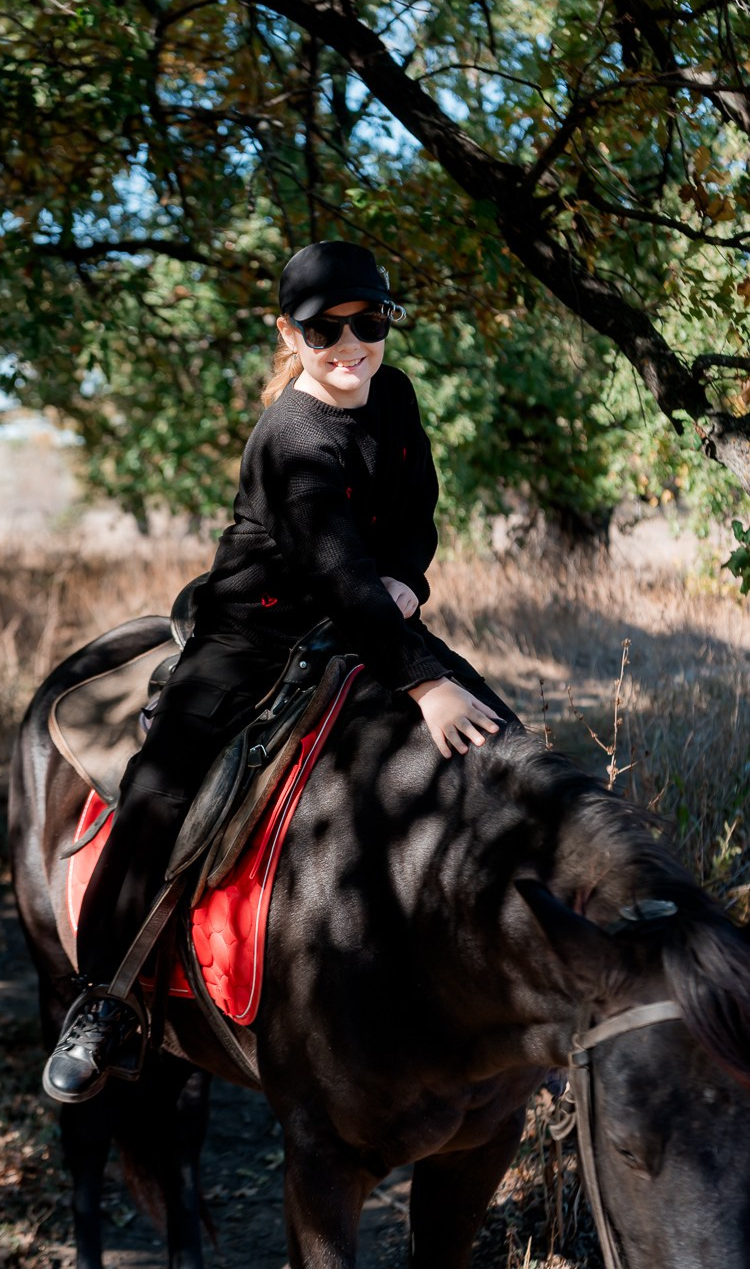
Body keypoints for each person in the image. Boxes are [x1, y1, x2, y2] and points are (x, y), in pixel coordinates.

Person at [43, 239, 518, 1104]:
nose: (349, 346)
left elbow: (418, 520)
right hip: (256, 637)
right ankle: (102, 1000)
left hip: (369, 620)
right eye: (323, 329)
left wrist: (408, 582)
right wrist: (422, 681)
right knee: (157, 796)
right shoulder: (292, 435)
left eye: (367, 321)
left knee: (502, 741)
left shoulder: (396, 395)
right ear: (288, 335)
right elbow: (336, 572)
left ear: (388, 320)